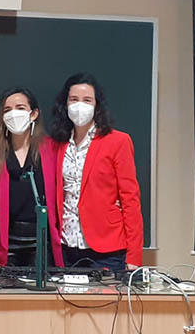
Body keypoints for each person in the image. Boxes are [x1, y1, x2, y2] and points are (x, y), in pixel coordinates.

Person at [51, 73, 142, 271]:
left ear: (96, 105)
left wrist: (134, 255)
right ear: (65, 104)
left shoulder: (118, 141)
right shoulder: (57, 145)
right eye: (74, 99)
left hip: (107, 250)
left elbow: (130, 199)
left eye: (87, 100)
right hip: (67, 247)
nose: (79, 105)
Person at [0, 87, 64, 269]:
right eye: (7, 110)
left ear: (34, 114)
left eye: (20, 108)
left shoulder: (52, 149)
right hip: (7, 246)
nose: (14, 114)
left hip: (42, 245)